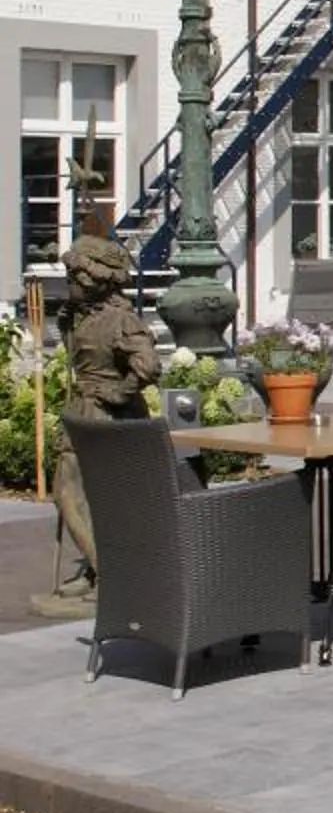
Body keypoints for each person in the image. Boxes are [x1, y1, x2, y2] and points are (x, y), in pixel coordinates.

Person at [53, 234, 162, 591]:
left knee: (80, 494)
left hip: (107, 417)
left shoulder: (120, 321)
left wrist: (119, 393)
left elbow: (147, 366)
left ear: (99, 281)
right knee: (76, 494)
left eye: (77, 277)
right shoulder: (80, 316)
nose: (71, 282)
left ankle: (109, 573)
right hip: (82, 411)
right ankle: (99, 567)